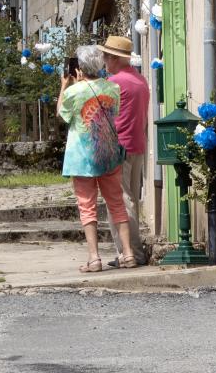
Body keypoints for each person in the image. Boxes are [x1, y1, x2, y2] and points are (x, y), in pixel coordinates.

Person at [57, 44, 137, 273]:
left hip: (82, 158)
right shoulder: (113, 88)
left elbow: (62, 114)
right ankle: (128, 254)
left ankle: (94, 258)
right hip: (109, 154)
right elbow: (116, 114)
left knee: (87, 207)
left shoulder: (74, 91)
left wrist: (65, 85)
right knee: (116, 204)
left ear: (79, 68)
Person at [101, 34, 150, 267]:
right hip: (137, 143)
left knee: (119, 201)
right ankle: (134, 249)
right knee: (130, 198)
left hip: (118, 145)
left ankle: (129, 252)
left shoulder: (115, 83)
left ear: (114, 58)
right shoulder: (140, 80)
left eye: (106, 57)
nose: (104, 61)